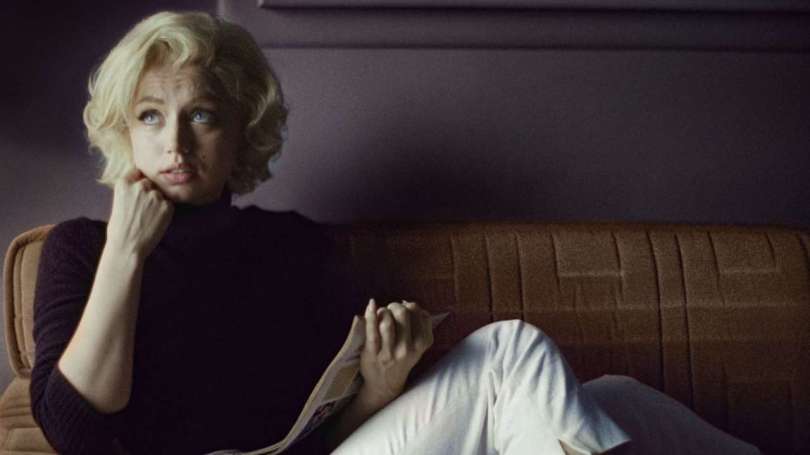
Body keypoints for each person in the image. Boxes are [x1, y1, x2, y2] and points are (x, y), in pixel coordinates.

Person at [29, 10, 761, 455]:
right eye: (151, 116)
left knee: (615, 397)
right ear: (126, 131)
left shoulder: (288, 247)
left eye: (202, 115)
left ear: (240, 129)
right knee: (510, 351)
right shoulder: (80, 249)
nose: (175, 142)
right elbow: (74, 430)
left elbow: (324, 432)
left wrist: (381, 381)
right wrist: (126, 252)